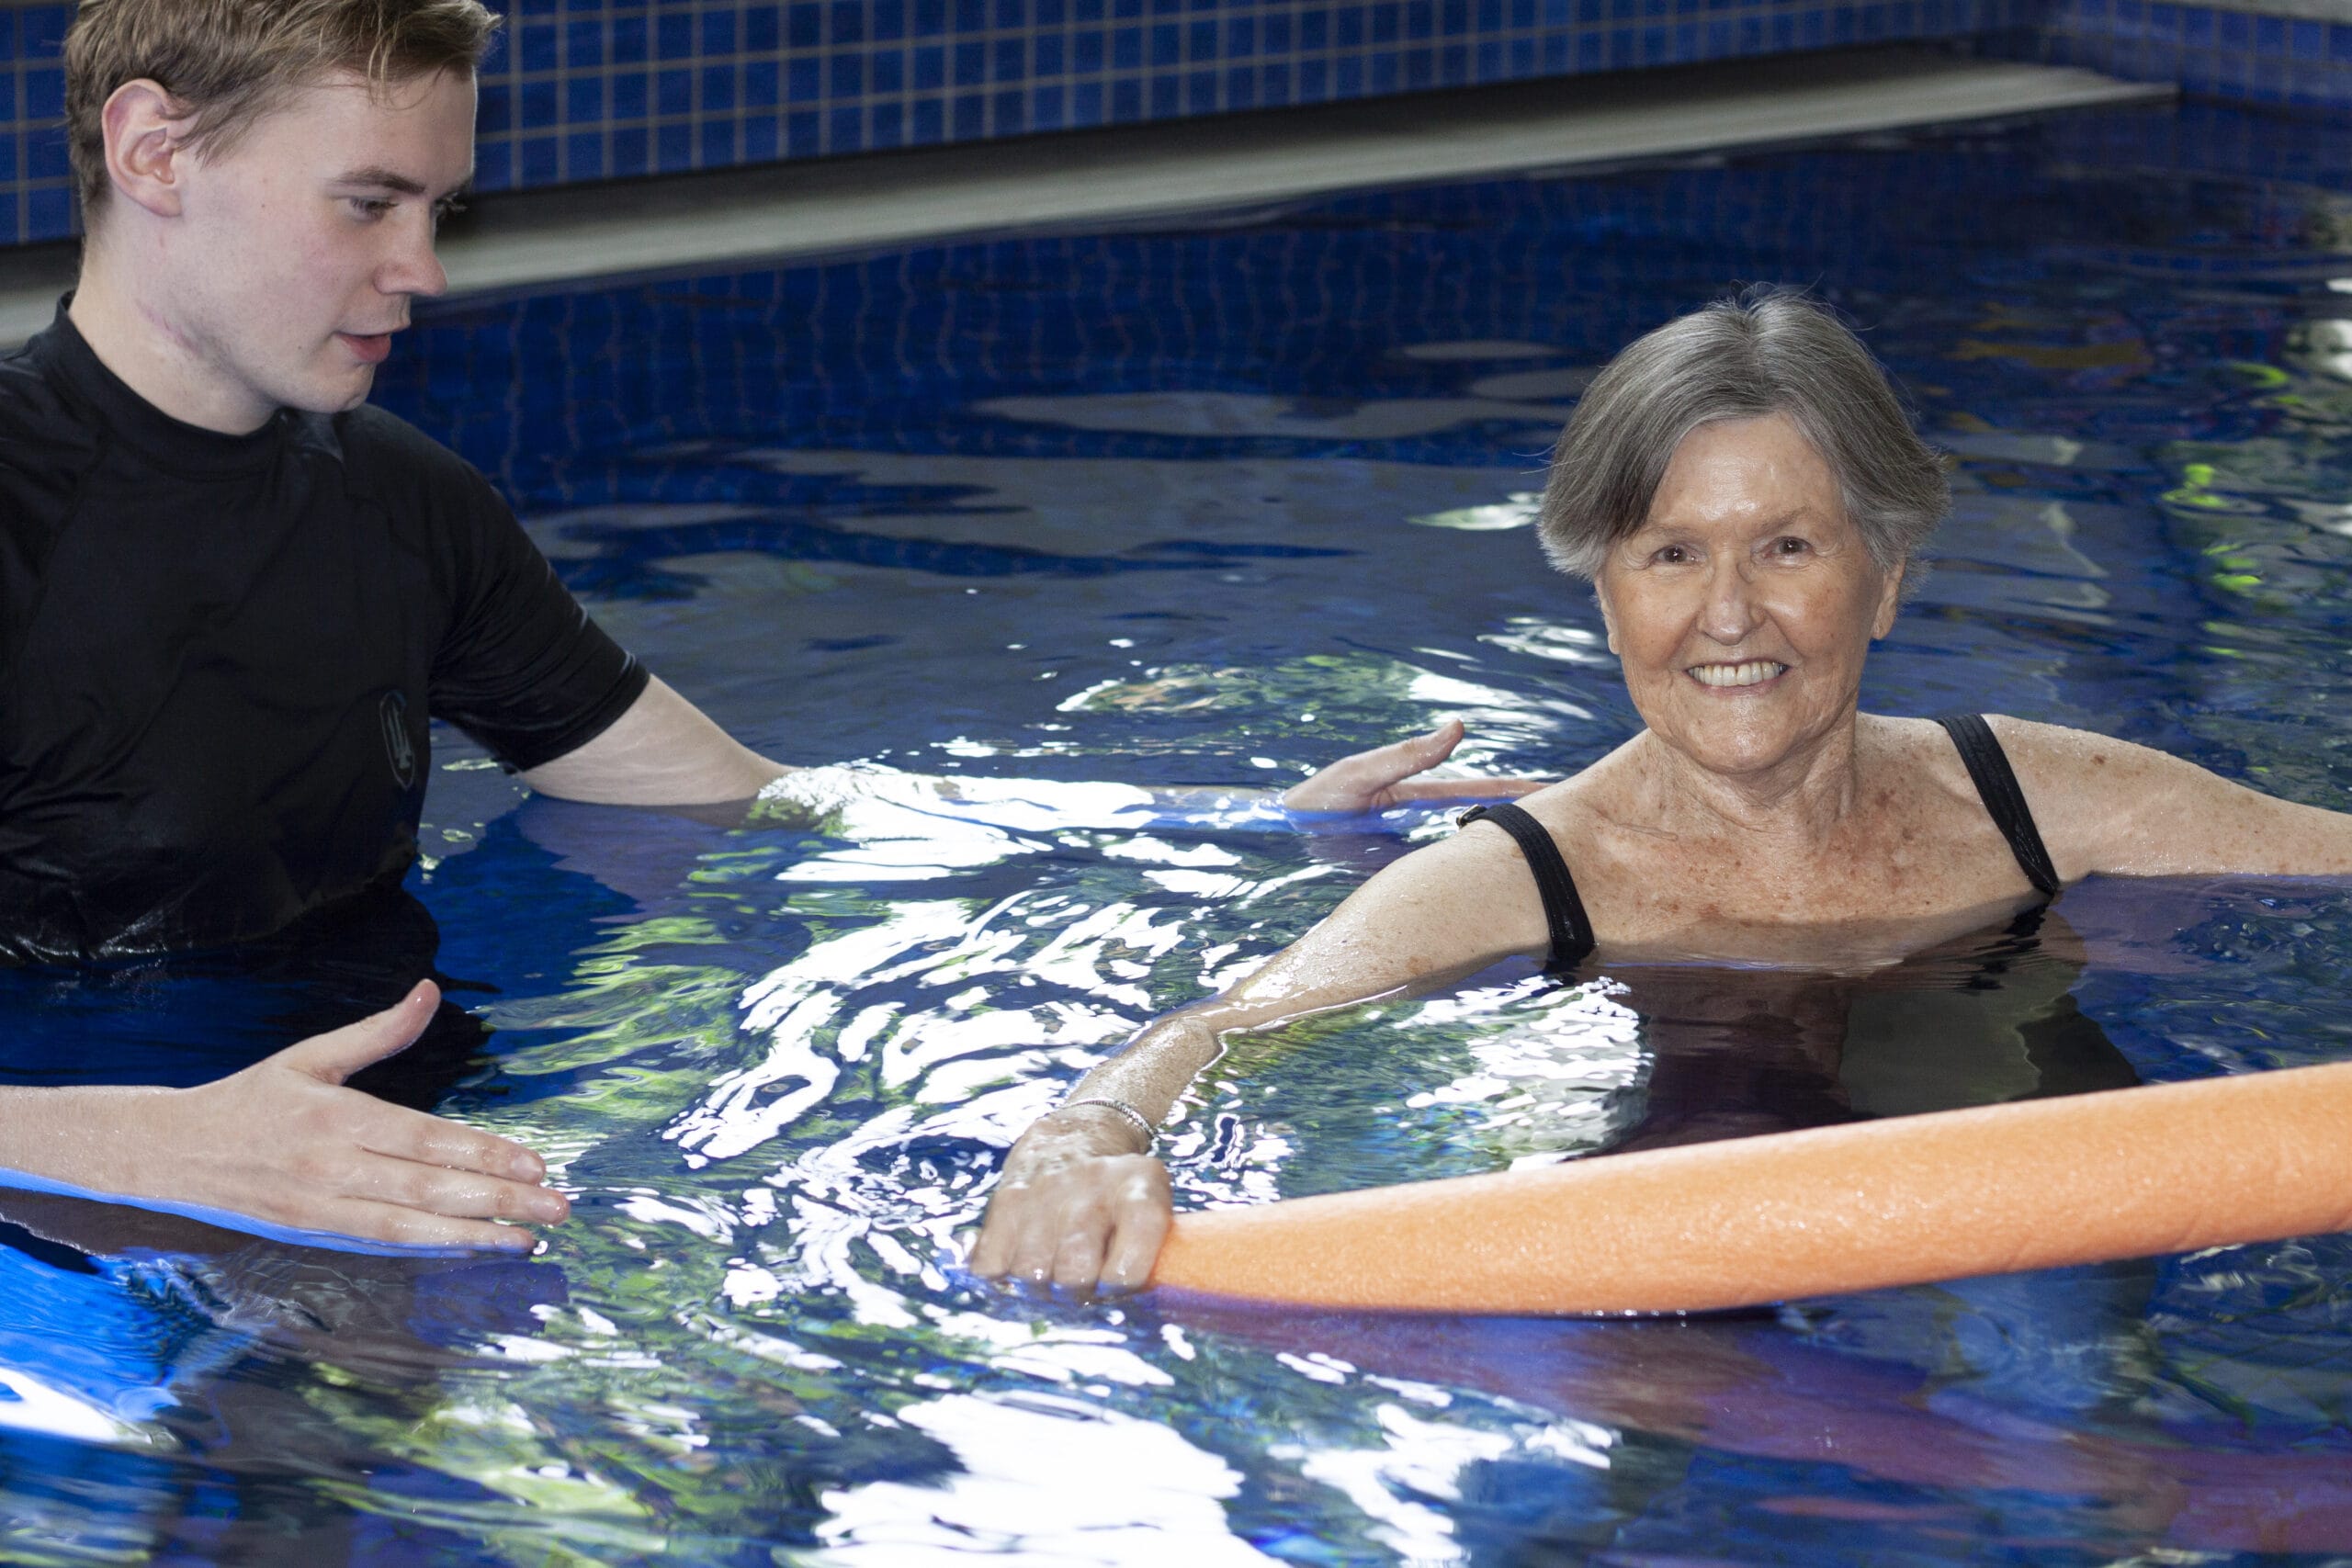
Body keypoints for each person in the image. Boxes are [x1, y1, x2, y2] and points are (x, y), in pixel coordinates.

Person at [0, 0, 1504, 1253]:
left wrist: (1233, 822)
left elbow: (746, 796)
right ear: (156, 154)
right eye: (369, 202)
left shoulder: (401, 503)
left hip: (380, 1152)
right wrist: (160, 1150)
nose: (426, 269)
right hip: (88, 1179)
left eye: (436, 208)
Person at [967, 290, 2352, 1295]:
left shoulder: (2034, 793)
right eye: (1671, 555)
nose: (1730, 617)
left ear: (1889, 578)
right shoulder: (1529, 871)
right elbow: (1224, 1026)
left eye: (1790, 546)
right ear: (1604, 595)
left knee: (2070, 1376)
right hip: (1690, 1188)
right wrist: (1083, 1138)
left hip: (2025, 1160)